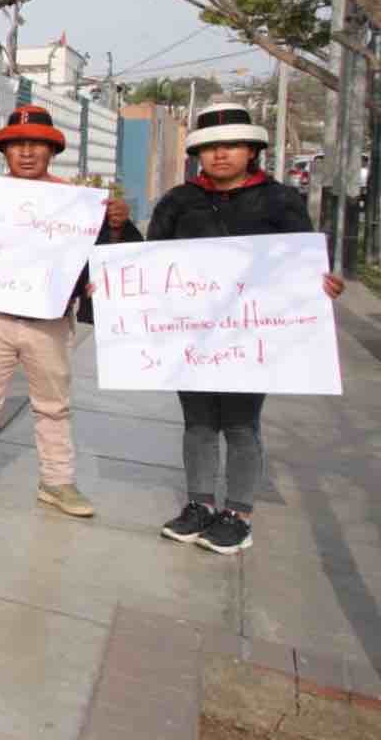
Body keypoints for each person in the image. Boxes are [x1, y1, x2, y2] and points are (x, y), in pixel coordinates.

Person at [148, 103, 344, 555]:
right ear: (198, 153)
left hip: (251, 338)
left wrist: (324, 283)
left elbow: (305, 266)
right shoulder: (179, 202)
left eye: (232, 145)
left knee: (240, 424)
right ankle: (199, 504)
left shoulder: (280, 202)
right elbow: (150, 262)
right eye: (211, 147)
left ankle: (238, 513)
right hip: (191, 336)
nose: (221, 155)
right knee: (197, 423)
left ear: (252, 150)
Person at [0, 104, 136, 518]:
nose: (27, 152)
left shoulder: (76, 203)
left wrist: (117, 226)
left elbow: (104, 260)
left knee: (53, 403)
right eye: (17, 145)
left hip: (47, 320)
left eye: (37, 145)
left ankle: (58, 480)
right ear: (4, 152)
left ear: (52, 151)